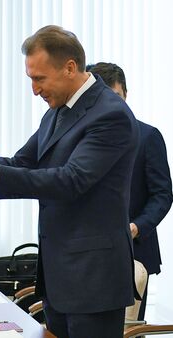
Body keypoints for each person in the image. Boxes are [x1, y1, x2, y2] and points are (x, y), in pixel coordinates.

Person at [0, 25, 139, 338]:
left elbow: (72, 180)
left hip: (93, 281)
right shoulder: (57, 111)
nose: (35, 90)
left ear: (70, 68)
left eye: (39, 79)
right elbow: (21, 164)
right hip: (59, 278)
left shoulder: (110, 114)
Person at [87, 62, 173, 320]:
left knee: (128, 328)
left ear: (126, 94)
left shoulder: (147, 136)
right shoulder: (83, 137)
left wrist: (137, 226)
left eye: (116, 97)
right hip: (86, 253)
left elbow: (162, 195)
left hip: (134, 252)